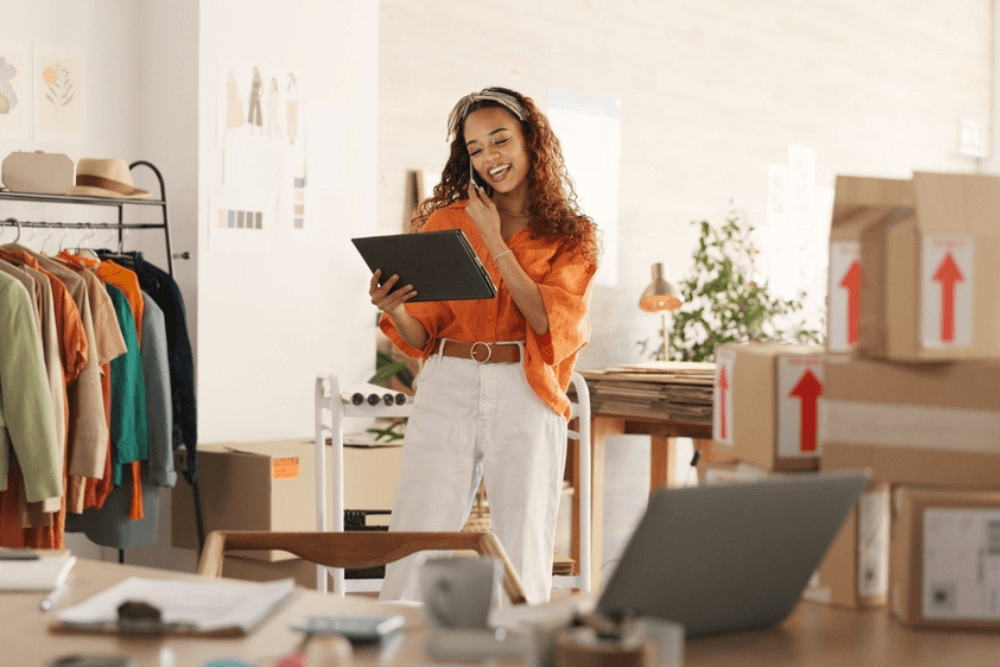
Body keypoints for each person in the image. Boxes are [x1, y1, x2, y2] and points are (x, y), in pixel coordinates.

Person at [370, 87, 599, 605]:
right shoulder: (446, 222)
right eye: (475, 149)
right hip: (448, 379)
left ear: (530, 141)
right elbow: (422, 335)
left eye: (500, 141)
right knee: (419, 527)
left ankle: (516, 651)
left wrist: (495, 239)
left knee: (523, 536)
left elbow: (548, 317)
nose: (490, 158)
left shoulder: (572, 236)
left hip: (526, 387)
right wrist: (395, 309)